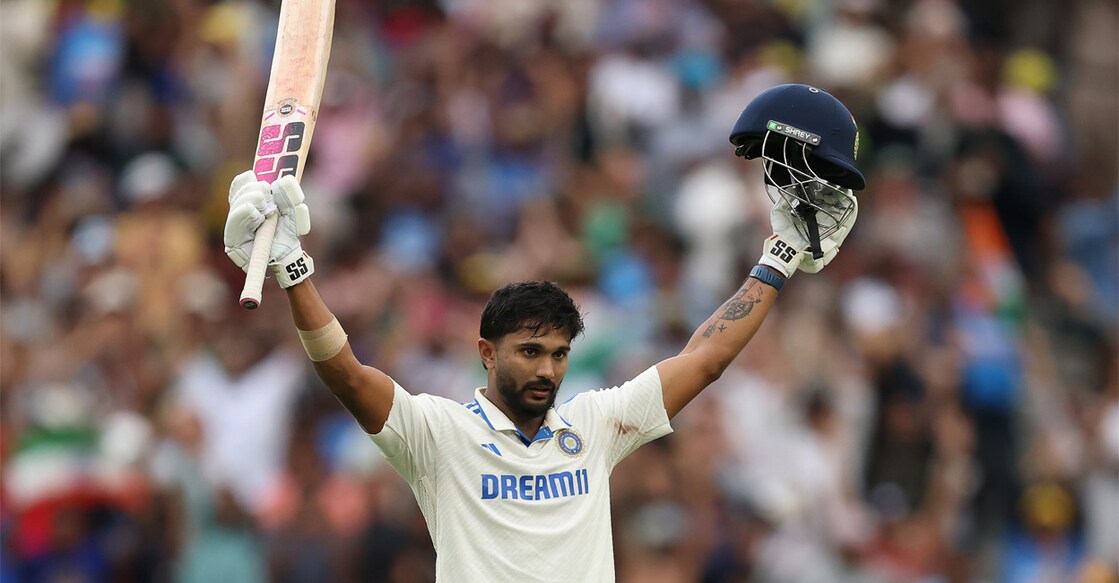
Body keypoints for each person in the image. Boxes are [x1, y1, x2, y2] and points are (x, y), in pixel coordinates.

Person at [221, 83, 865, 581]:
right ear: (485, 353)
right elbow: (346, 374)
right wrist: (292, 268)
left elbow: (705, 359)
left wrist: (778, 257)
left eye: (558, 354)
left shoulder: (592, 427)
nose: (548, 370)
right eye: (530, 352)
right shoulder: (439, 435)